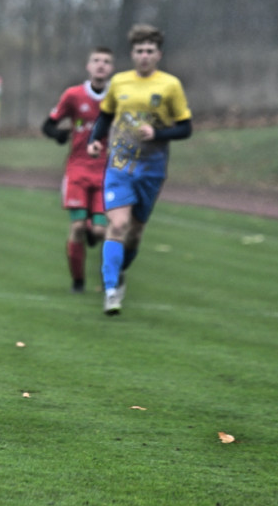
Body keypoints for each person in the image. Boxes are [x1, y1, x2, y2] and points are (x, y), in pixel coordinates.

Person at [87, 24, 192, 315]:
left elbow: (185, 128)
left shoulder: (170, 85)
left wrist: (157, 133)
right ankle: (110, 290)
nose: (144, 56)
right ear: (132, 54)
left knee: (134, 233)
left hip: (152, 169)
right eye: (139, 51)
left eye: (149, 51)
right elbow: (105, 117)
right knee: (118, 225)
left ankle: (118, 271)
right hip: (119, 166)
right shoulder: (119, 82)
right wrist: (95, 141)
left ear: (158, 54)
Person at [41, 47, 114, 292]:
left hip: (106, 172)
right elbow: (48, 125)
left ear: (111, 67)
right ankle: (78, 281)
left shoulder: (117, 96)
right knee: (78, 227)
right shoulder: (73, 95)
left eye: (106, 61)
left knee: (102, 230)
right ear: (88, 66)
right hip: (78, 169)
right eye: (96, 60)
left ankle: (108, 266)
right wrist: (60, 134)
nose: (101, 65)